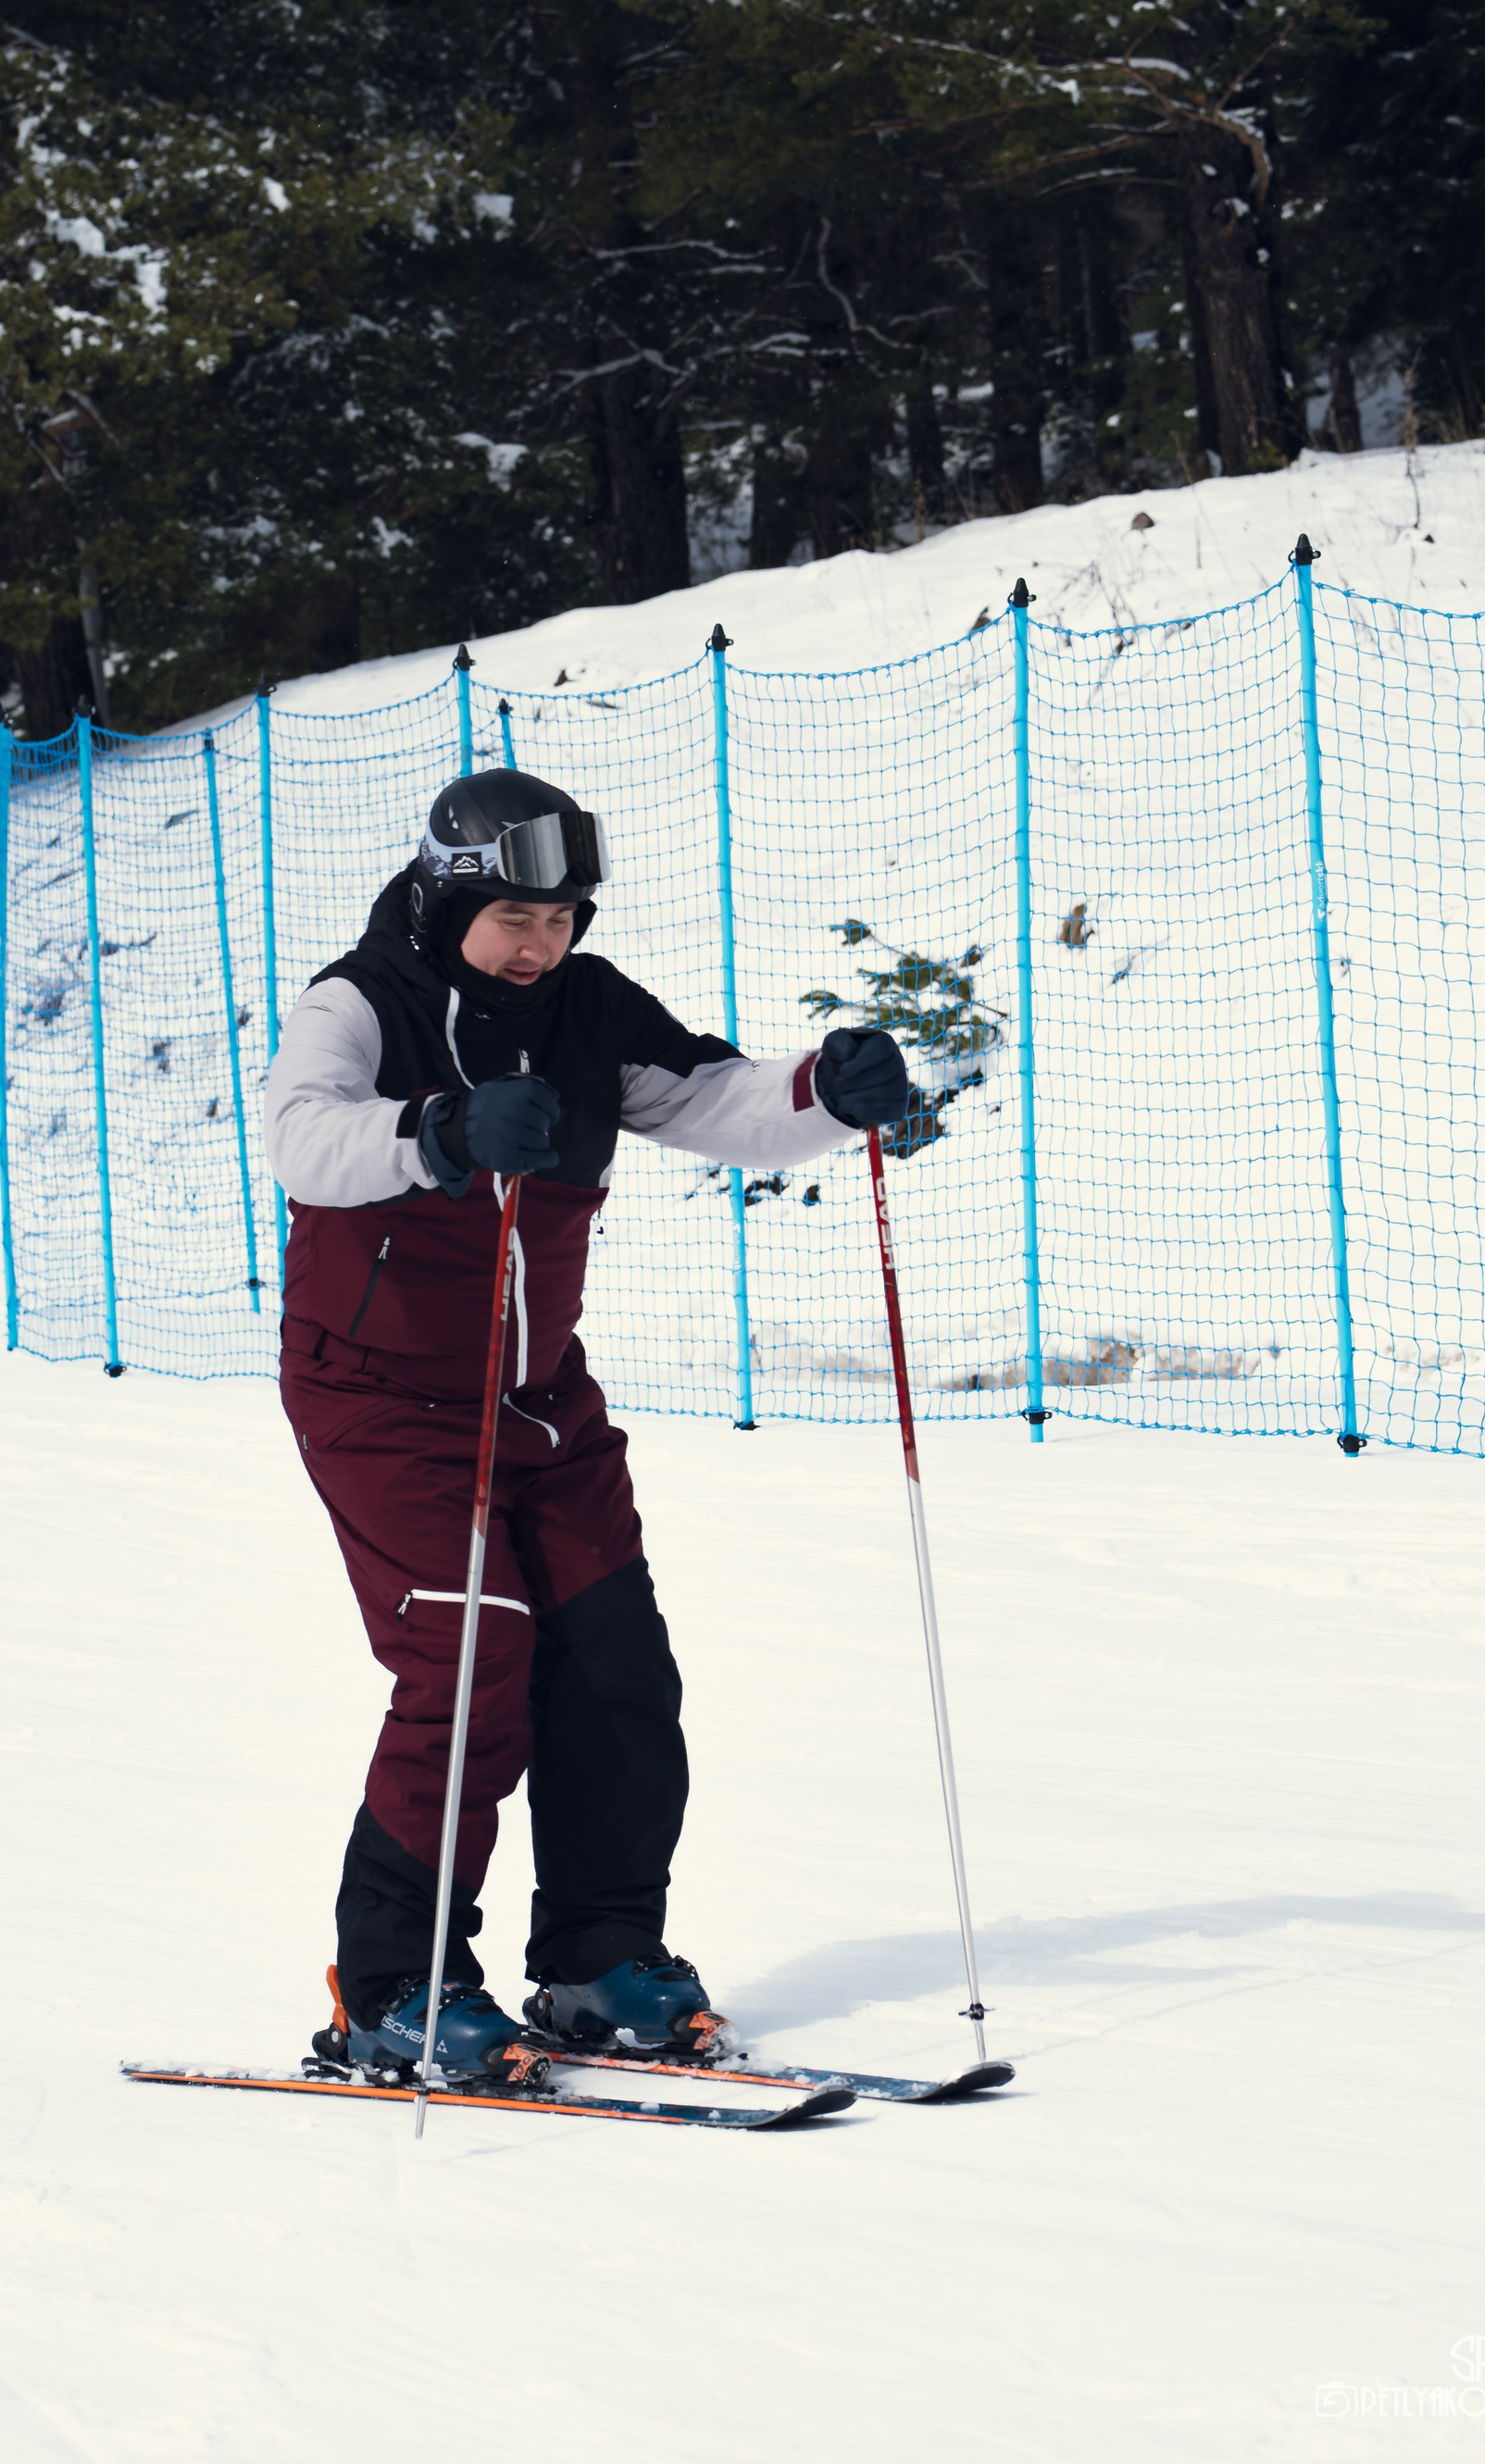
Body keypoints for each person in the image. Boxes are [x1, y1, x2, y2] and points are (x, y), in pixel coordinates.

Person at [265, 767, 908, 2084]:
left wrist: (824, 1093)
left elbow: (713, 1098)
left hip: (539, 1399)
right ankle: (399, 1988)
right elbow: (302, 1142)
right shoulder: (361, 1001)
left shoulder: (587, 1008)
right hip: (378, 1394)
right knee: (470, 1662)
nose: (540, 945)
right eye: (514, 919)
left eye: (562, 920)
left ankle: (600, 1961)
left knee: (615, 1663)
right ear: (449, 897)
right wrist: (437, 1132)